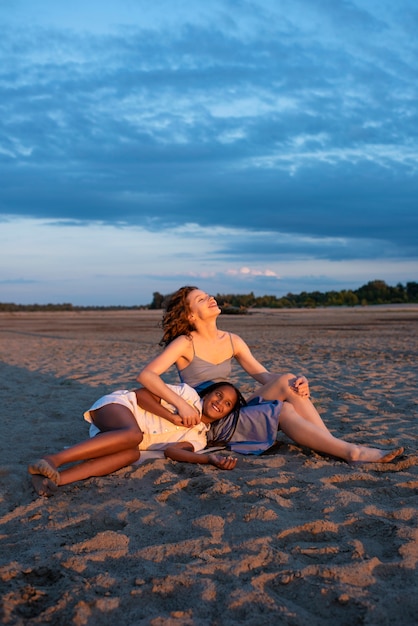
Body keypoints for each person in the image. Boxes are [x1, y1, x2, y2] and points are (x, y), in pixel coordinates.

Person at [137, 286, 404, 464]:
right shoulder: (185, 342)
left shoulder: (232, 340)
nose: (210, 299)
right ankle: (349, 451)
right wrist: (182, 404)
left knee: (288, 381)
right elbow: (147, 376)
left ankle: (335, 445)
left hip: (233, 410)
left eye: (208, 295)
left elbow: (263, 376)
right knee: (284, 412)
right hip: (210, 419)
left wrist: (298, 384)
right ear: (191, 315)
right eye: (201, 300)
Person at [28, 381, 245, 497]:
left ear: (226, 414)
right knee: (134, 435)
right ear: (208, 394)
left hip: (116, 439)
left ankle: (53, 478)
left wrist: (210, 460)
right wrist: (172, 416)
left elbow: (173, 452)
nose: (220, 402)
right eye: (219, 395)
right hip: (118, 407)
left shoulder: (199, 438)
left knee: (132, 453)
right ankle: (52, 459)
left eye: (227, 404)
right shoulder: (187, 395)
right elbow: (141, 394)